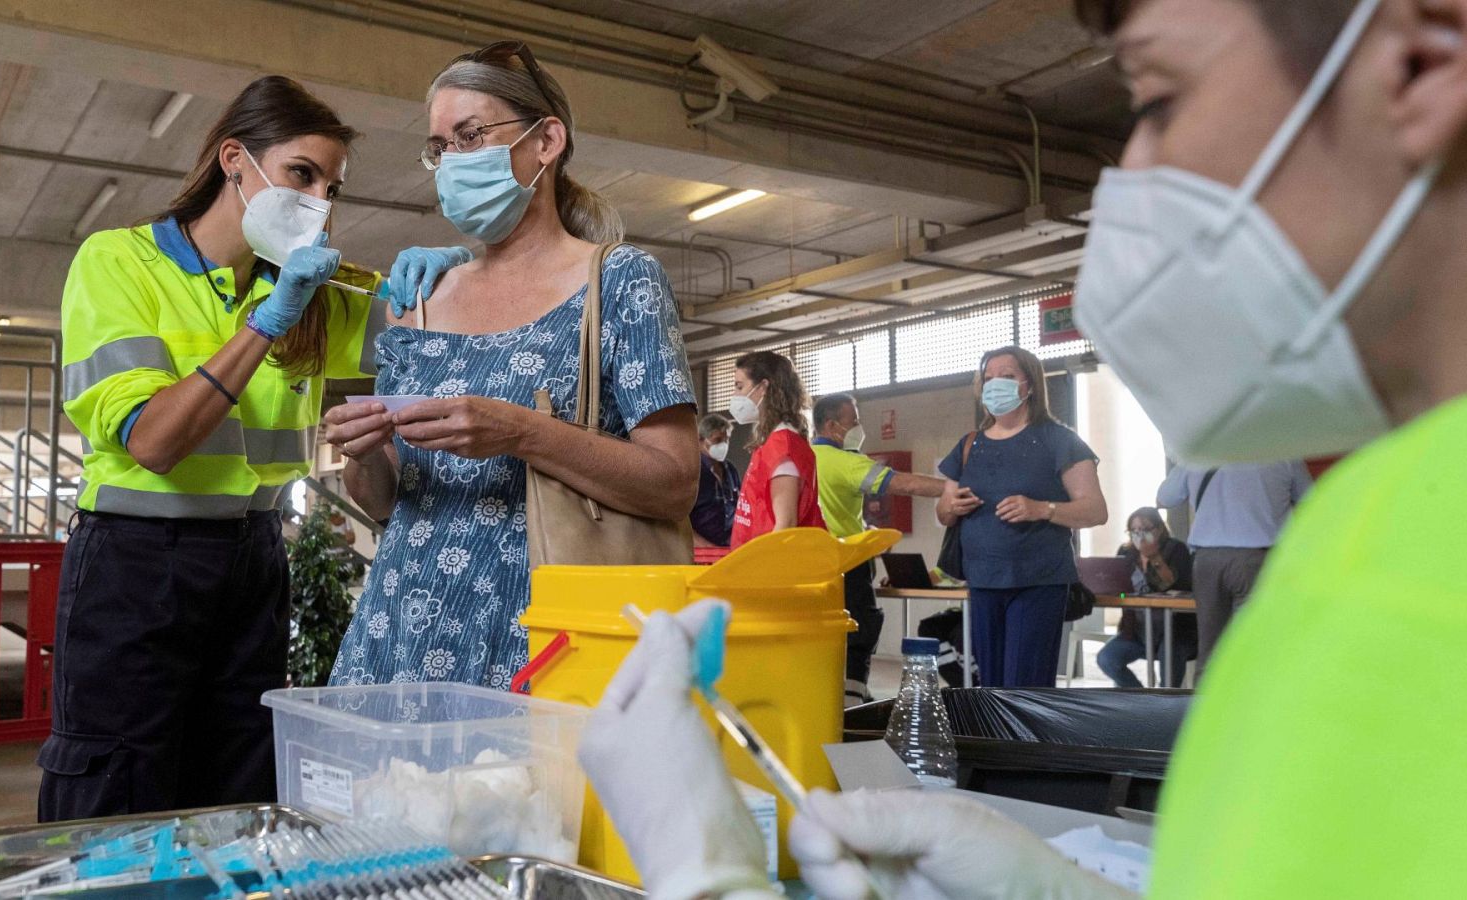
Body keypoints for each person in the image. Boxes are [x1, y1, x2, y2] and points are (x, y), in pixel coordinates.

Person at [582, 2, 1467, 897]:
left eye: (1158, 99)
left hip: (1035, 578)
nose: (1130, 173)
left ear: (1423, 65)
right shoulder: (1370, 512)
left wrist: (710, 874)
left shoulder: (1414, 560)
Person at [44, 76, 389, 821]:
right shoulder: (121, 263)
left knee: (237, 780)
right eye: (302, 174)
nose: (320, 200)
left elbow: (434, 331)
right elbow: (157, 442)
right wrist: (265, 324)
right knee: (117, 787)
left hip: (255, 557)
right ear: (236, 159)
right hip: (137, 561)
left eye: (333, 185)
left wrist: (441, 282)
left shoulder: (314, 292)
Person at [320, 40, 698, 688]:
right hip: (398, 638)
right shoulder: (421, 304)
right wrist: (360, 454)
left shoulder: (619, 282)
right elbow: (384, 504)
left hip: (542, 642)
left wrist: (522, 433)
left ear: (545, 141)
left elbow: (673, 483)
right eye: (440, 147)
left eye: (471, 136)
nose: (451, 163)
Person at [935, 346, 1108, 687]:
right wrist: (951, 506)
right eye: (988, 378)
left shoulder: (1059, 440)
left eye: (1007, 376)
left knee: (1025, 684)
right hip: (983, 581)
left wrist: (1042, 508)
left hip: (1038, 581)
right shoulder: (969, 445)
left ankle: (1026, 741)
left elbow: (1095, 510)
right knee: (991, 683)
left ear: (1029, 385)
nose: (995, 384)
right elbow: (943, 513)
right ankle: (999, 741)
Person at [810, 393, 945, 703]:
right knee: (861, 628)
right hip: (847, 563)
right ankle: (854, 698)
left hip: (808, 565)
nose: (859, 428)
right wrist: (951, 488)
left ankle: (826, 695)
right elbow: (905, 484)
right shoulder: (847, 462)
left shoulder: (801, 458)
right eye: (853, 421)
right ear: (832, 425)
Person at [1156, 462, 1310, 677]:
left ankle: (1206, 706)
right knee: (1258, 646)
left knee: (1211, 649)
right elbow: (1312, 500)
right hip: (1258, 561)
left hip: (1207, 561)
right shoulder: (1283, 453)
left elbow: (1165, 497)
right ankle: (1255, 706)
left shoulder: (1199, 453)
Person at [727, 351, 826, 547]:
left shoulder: (783, 445)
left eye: (740, 387)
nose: (735, 395)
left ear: (763, 387)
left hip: (776, 569)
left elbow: (786, 524)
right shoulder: (772, 441)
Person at [1096, 507, 1197, 688]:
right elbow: (1120, 586)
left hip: (1175, 631)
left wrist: (1154, 557)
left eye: (1145, 529)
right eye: (1134, 530)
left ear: (1159, 529)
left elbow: (1180, 586)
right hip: (1138, 631)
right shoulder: (1126, 552)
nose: (1139, 535)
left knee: (1170, 658)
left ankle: (1165, 705)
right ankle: (1141, 698)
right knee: (1107, 658)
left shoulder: (1176, 549)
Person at [690, 412, 742, 547]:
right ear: (700, 440)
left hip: (729, 549)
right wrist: (708, 548)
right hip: (702, 554)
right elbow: (680, 522)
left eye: (727, 440)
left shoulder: (730, 470)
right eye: (717, 440)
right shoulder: (693, 471)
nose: (724, 445)